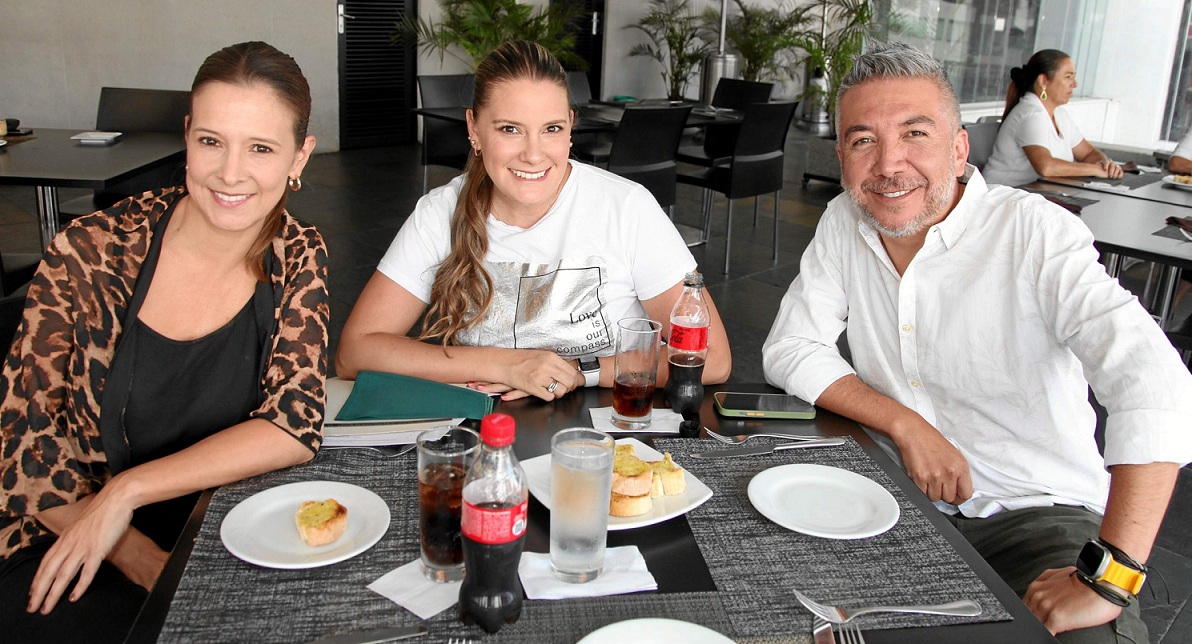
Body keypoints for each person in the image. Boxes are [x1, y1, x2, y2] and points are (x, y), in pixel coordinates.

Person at [762, 42, 1192, 642]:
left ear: (960, 148)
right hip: (894, 503)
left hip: (1038, 514)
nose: (889, 164)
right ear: (842, 157)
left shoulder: (1033, 233)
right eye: (863, 140)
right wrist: (909, 426)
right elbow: (790, 348)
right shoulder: (844, 221)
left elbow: (1155, 382)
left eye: (916, 134)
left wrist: (1107, 578)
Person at [0, 41, 328, 642]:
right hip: (69, 531)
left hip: (223, 530)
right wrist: (134, 552)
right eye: (211, 141)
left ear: (298, 156)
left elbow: (293, 421)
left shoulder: (298, 253)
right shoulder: (90, 252)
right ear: (187, 136)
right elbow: (28, 463)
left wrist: (127, 491)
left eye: (260, 148)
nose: (230, 173)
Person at [336, 40, 731, 399]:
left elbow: (710, 358)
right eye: (510, 129)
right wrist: (506, 364)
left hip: (605, 425)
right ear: (474, 128)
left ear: (571, 127)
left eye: (551, 129)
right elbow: (355, 351)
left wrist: (581, 371)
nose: (533, 154)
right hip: (484, 425)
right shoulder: (441, 212)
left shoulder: (626, 208)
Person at [982, 49, 1124, 186]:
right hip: (1003, 197)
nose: (1075, 84)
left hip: (1034, 194)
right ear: (1043, 81)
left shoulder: (1059, 114)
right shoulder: (1031, 115)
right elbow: (1046, 167)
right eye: (1068, 77)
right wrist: (1095, 170)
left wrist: (1105, 165)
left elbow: (1088, 153)